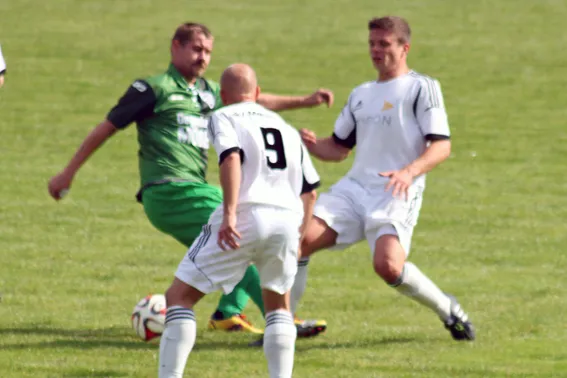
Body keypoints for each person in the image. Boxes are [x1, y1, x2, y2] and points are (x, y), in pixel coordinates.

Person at [47, 22, 329, 336]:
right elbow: (107, 127)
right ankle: (282, 321)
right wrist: (67, 173)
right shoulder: (153, 88)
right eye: (196, 49)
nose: (202, 57)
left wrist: (304, 101)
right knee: (245, 228)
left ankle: (228, 312)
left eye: (207, 51)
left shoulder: (209, 93)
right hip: (169, 190)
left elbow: (250, 101)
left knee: (238, 239)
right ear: (175, 47)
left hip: (195, 190)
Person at [291, 16, 475, 341]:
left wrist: (409, 171)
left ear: (405, 48)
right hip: (354, 189)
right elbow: (338, 149)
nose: (376, 50)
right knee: (298, 241)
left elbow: (442, 145)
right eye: (372, 44)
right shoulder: (361, 94)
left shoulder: (422, 87)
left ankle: (448, 309)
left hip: (394, 191)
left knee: (388, 267)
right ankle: (282, 327)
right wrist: (311, 144)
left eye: (384, 44)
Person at [158, 63, 319, 378]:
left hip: (246, 215)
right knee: (279, 308)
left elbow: (231, 157)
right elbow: (310, 191)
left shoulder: (222, 116)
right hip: (287, 220)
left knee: (179, 297)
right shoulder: (286, 128)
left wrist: (230, 212)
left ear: (223, 95)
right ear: (257, 93)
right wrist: (298, 237)